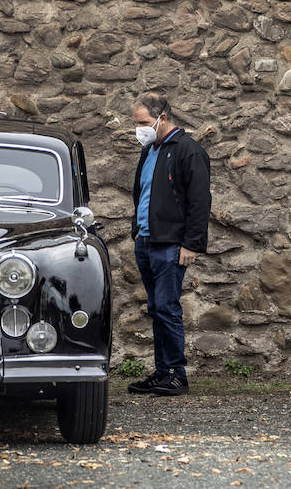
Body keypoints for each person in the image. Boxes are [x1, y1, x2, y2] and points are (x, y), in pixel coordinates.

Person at [127, 91, 211, 397]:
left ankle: (177, 373)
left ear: (163, 117)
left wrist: (191, 244)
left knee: (167, 307)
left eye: (144, 122)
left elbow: (200, 202)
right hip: (147, 242)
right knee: (156, 307)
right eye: (136, 123)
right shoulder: (150, 151)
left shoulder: (189, 151)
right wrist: (137, 230)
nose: (139, 129)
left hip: (171, 245)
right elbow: (142, 192)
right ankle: (162, 372)